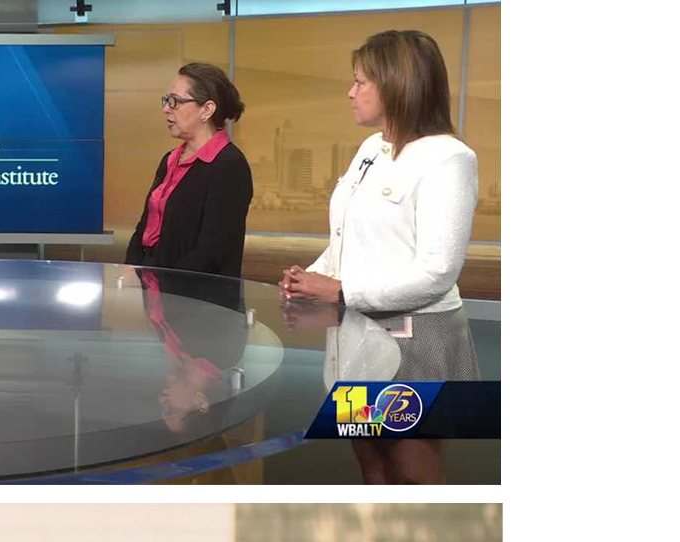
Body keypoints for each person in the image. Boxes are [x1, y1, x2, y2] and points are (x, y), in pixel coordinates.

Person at [278, 30, 479, 485]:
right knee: (372, 465)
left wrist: (342, 290)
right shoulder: (372, 149)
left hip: (418, 339)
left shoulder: (450, 158)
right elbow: (350, 236)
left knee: (413, 471)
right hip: (360, 331)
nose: (351, 93)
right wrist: (311, 275)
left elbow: (438, 270)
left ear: (397, 84)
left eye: (360, 82)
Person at [125, 63, 253, 280]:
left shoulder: (229, 165)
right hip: (154, 288)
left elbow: (212, 251)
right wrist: (131, 271)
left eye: (175, 101)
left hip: (195, 296)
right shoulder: (169, 160)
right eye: (166, 100)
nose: (166, 109)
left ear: (207, 110)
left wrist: (165, 283)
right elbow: (146, 227)